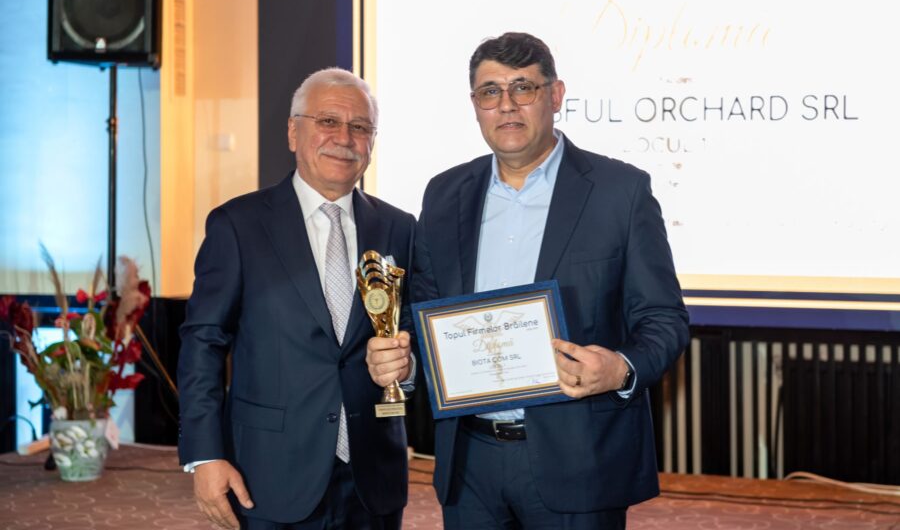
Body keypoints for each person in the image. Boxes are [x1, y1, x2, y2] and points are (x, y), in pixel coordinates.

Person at [412, 32, 690, 529]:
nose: (507, 105)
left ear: (556, 95)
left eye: (523, 87)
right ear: (475, 105)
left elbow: (664, 320)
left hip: (580, 462)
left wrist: (620, 369)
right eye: (490, 91)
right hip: (469, 464)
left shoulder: (620, 192)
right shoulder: (444, 193)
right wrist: (407, 360)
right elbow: (425, 311)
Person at [178, 68, 416, 530]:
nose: (344, 138)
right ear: (293, 132)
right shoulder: (238, 226)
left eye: (360, 126)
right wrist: (204, 455)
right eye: (327, 121)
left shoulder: (400, 228)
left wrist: (406, 370)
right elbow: (202, 343)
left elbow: (415, 334)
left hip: (374, 477)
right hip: (269, 474)